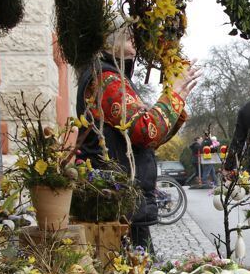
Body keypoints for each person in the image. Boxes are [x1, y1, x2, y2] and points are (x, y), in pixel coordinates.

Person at [76, 21, 201, 248]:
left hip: (123, 201)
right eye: (127, 34)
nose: (135, 38)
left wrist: (177, 97)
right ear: (108, 42)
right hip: (115, 203)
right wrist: (173, 94)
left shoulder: (113, 77)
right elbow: (145, 132)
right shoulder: (106, 79)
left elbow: (147, 141)